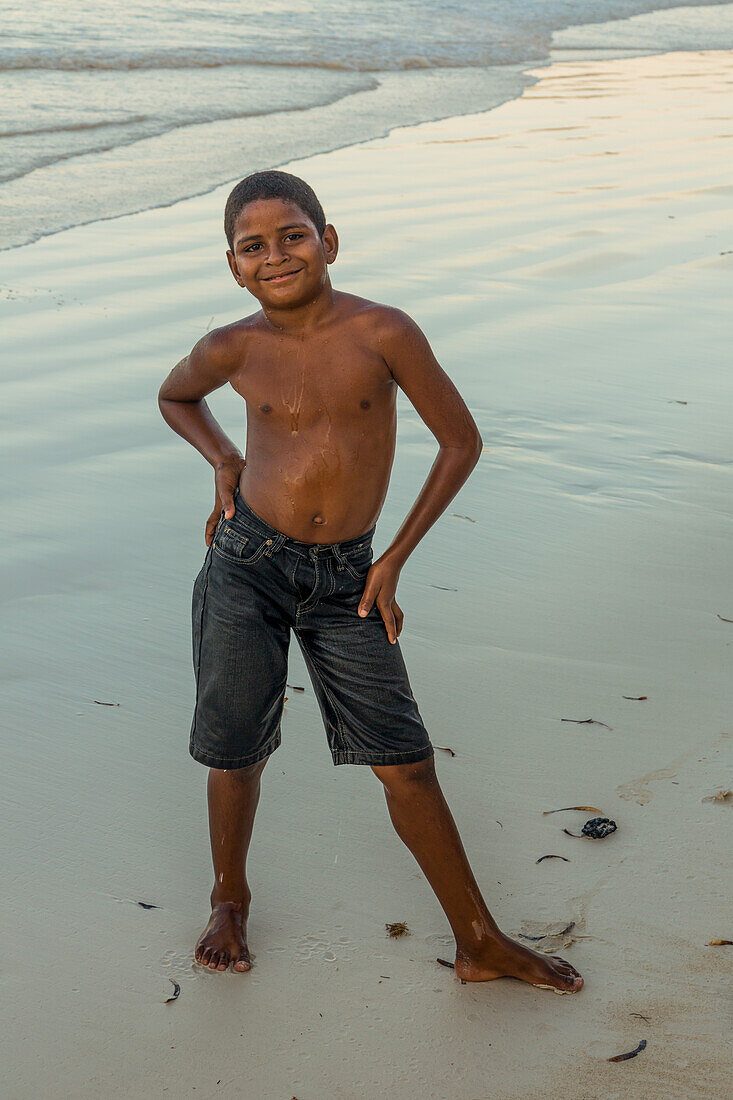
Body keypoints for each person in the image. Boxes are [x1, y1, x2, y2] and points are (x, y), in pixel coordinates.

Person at [157, 169, 583, 993]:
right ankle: (229, 898)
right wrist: (225, 458)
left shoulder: (383, 331)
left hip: (351, 576)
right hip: (245, 566)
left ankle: (478, 939)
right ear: (233, 266)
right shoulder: (231, 346)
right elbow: (176, 396)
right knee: (235, 748)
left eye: (292, 236)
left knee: (406, 761)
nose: (275, 255)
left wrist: (392, 560)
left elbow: (460, 443)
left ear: (329, 243)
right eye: (254, 246)